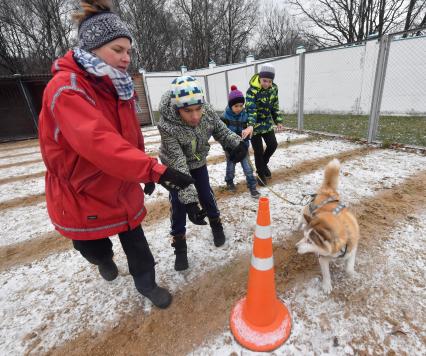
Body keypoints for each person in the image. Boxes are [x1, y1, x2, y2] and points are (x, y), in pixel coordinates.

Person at [38, 0, 194, 309]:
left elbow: (126, 137)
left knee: (136, 243)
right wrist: (153, 170)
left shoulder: (117, 85)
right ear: (93, 49)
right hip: (82, 191)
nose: (126, 58)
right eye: (117, 50)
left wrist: (140, 170)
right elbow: (98, 142)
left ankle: (147, 284)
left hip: (120, 182)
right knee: (91, 244)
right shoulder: (66, 89)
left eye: (128, 51)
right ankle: (103, 259)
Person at [157, 76, 247, 271]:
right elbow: (179, 163)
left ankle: (216, 225)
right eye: (188, 111)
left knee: (206, 194)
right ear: (177, 108)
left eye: (198, 109)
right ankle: (179, 246)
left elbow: (221, 131)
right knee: (179, 204)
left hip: (198, 161)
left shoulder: (206, 113)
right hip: (174, 167)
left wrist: (236, 143)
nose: (195, 116)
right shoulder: (167, 125)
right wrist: (190, 200)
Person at [246, 63, 284, 186]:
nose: (267, 84)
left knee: (273, 144)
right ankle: (261, 175)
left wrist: (278, 120)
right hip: (255, 126)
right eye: (264, 80)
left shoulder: (274, 89)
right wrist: (250, 124)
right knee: (258, 151)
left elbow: (275, 106)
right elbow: (251, 109)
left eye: (269, 81)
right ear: (260, 78)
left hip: (266, 123)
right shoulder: (252, 91)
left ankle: (263, 164)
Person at [221, 85, 260, 198]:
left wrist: (246, 139)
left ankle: (252, 186)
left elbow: (249, 131)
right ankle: (229, 181)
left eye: (241, 105)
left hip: (243, 147)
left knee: (248, 168)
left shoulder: (246, 115)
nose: (239, 108)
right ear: (230, 105)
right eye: (236, 106)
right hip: (231, 149)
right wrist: (227, 147)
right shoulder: (224, 117)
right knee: (230, 168)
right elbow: (222, 134)